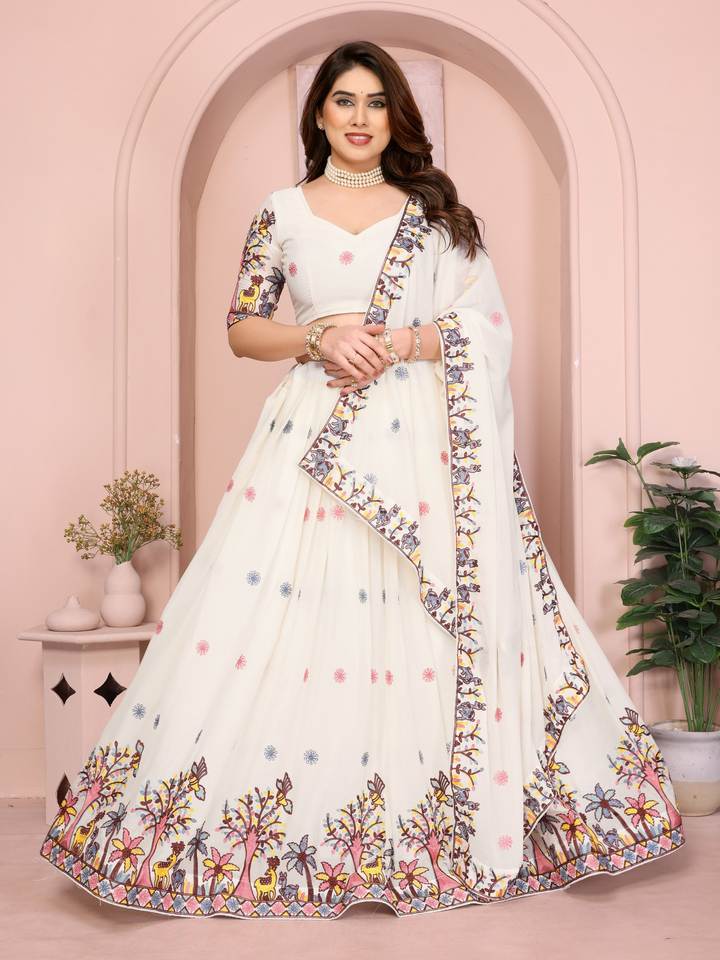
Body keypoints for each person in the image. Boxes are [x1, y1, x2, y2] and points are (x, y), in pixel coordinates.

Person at [39, 40, 686, 920]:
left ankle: (431, 826)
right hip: (310, 435)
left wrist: (408, 341)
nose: (359, 117)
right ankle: (285, 836)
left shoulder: (437, 218)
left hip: (424, 444)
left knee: (416, 620)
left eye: (376, 102)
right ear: (318, 113)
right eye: (344, 100)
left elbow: (485, 328)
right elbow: (242, 326)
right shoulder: (282, 212)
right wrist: (319, 337)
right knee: (282, 619)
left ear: (396, 118)